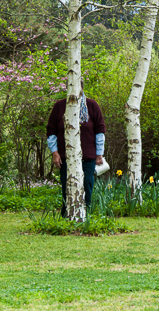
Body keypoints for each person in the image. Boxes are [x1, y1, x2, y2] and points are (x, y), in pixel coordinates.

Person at [46, 80, 105, 217]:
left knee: (87, 187)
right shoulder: (60, 106)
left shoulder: (92, 105)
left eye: (76, 86)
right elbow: (51, 131)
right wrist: (55, 152)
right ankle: (66, 217)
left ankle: (85, 216)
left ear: (82, 88)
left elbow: (100, 131)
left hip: (88, 158)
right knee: (67, 189)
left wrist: (99, 154)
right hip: (66, 158)